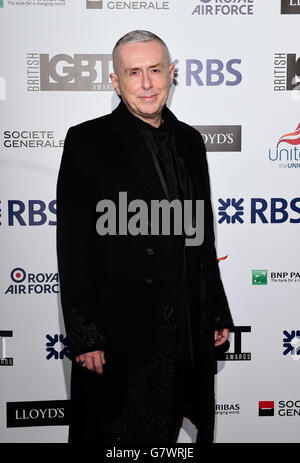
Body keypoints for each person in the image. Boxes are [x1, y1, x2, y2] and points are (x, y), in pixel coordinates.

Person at [56, 30, 234, 444]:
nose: (148, 83)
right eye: (134, 73)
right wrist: (86, 337)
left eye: (155, 70)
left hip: (184, 328)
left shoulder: (190, 141)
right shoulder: (87, 141)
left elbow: (201, 234)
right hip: (123, 330)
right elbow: (74, 246)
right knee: (116, 435)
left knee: (167, 432)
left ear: (172, 74)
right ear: (116, 83)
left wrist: (215, 310)